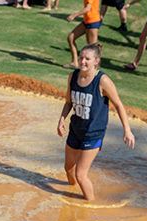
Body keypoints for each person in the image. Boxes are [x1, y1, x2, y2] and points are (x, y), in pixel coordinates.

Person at [57, 44, 136, 201]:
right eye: (81, 57)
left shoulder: (102, 81)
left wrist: (127, 130)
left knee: (80, 174)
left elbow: (119, 105)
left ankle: (89, 205)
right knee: (68, 169)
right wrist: (61, 119)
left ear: (96, 61)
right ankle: (71, 195)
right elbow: (68, 102)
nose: (83, 61)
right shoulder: (73, 77)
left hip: (93, 133)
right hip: (76, 129)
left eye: (87, 58)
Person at [65, 0, 102, 69]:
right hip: (86, 21)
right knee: (71, 38)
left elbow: (88, 8)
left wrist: (74, 15)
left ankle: (94, 69)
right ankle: (74, 62)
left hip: (93, 22)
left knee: (93, 49)